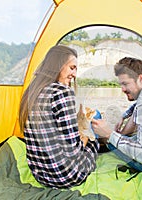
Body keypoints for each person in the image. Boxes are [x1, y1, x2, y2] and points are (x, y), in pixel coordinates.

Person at [18, 45, 99, 189]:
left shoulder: (33, 90)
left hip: (40, 174)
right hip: (65, 176)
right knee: (94, 139)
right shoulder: (63, 92)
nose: (74, 74)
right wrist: (85, 136)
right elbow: (73, 151)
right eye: (72, 68)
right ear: (58, 65)